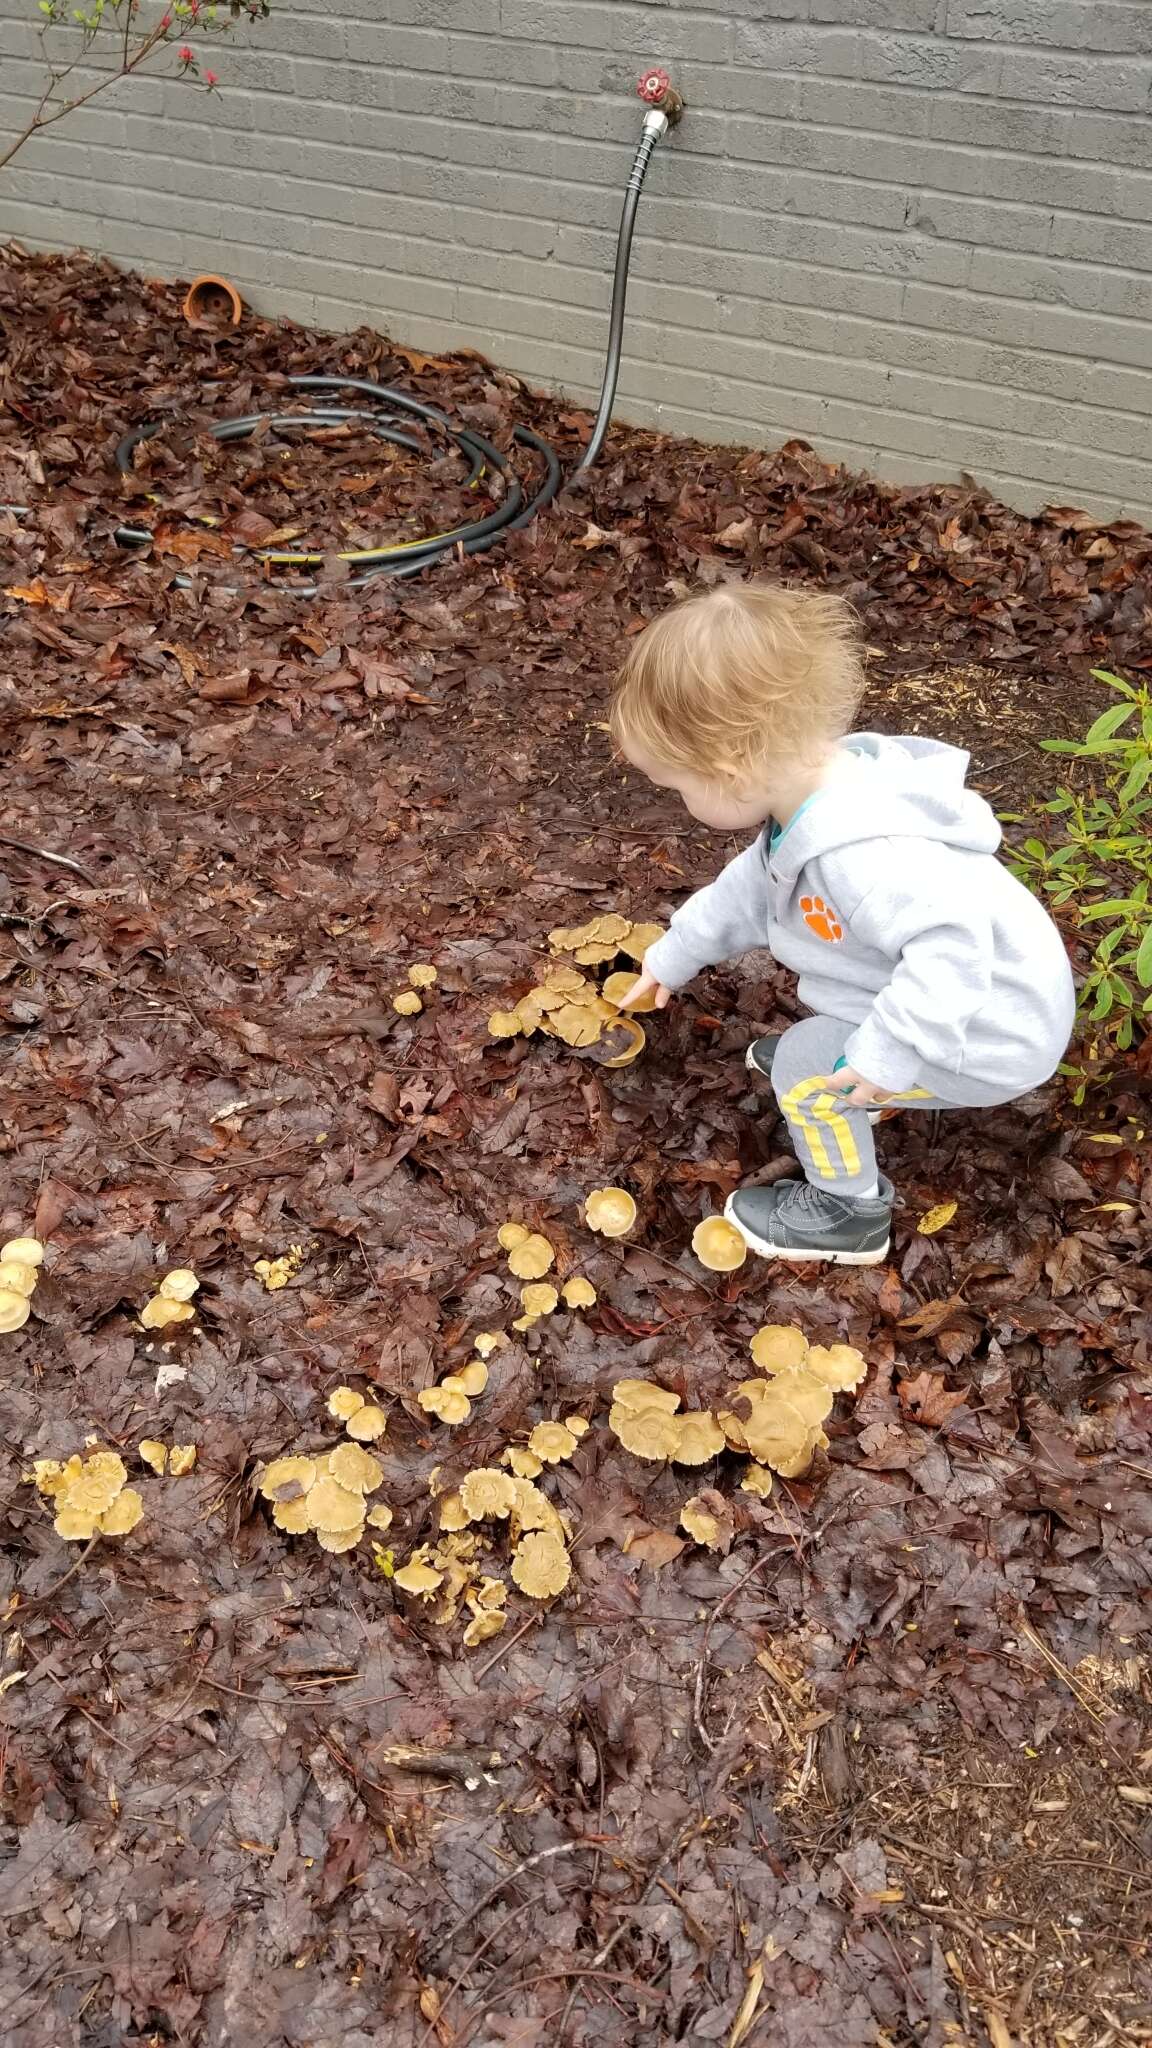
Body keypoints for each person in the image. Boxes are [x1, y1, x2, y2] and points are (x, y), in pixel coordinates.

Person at [614, 582, 1076, 1266]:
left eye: (677, 786)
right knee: (817, 1049)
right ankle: (856, 1056)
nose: (678, 802)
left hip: (989, 1031)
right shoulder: (811, 797)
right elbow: (746, 892)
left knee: (806, 1073)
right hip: (970, 995)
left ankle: (849, 1210)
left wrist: (883, 1057)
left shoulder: (867, 858)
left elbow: (952, 950)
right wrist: (673, 955)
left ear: (731, 770)